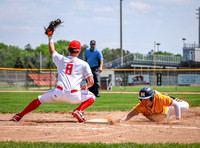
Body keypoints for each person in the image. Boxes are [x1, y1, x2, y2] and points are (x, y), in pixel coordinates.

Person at [11, 30, 96, 122]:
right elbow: (91, 82)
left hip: (58, 93)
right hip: (74, 96)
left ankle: (19, 116)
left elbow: (52, 51)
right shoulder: (84, 64)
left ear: (68, 50)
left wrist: (50, 37)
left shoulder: (61, 59)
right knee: (93, 96)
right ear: (79, 51)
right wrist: (86, 86)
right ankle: (78, 110)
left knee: (39, 99)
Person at [119, 87, 189, 123]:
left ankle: (169, 98)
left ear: (152, 98)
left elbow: (176, 104)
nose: (144, 101)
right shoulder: (141, 105)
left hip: (168, 111)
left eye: (146, 99)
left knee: (185, 106)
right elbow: (129, 115)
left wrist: (177, 119)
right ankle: (167, 98)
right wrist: (121, 121)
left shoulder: (159, 98)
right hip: (161, 118)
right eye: (142, 99)